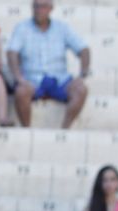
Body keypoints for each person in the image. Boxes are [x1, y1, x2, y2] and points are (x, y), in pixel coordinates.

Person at [7, 0, 90, 129]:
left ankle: (65, 129)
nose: (39, 9)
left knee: (81, 89)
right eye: (36, 6)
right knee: (21, 91)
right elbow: (12, 52)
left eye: (43, 6)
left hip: (60, 79)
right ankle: (27, 129)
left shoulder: (62, 28)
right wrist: (19, 78)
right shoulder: (22, 28)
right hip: (32, 79)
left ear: (51, 8)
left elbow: (83, 49)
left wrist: (82, 73)